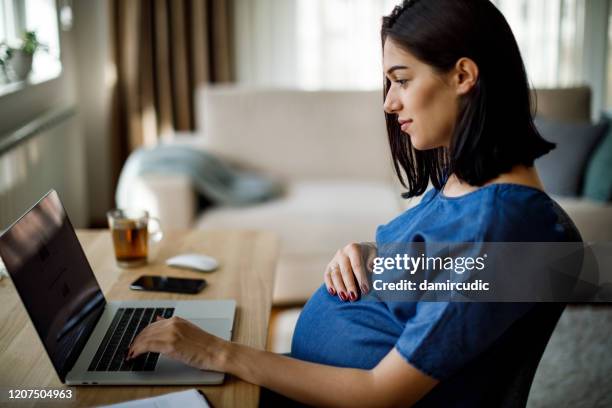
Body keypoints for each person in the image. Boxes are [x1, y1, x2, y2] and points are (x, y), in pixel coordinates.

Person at [127, 0, 582, 406]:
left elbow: (382, 394)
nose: (389, 102)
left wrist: (218, 353)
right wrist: (378, 259)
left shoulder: (501, 229)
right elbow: (441, 274)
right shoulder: (466, 183)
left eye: (401, 80)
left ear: (463, 75)